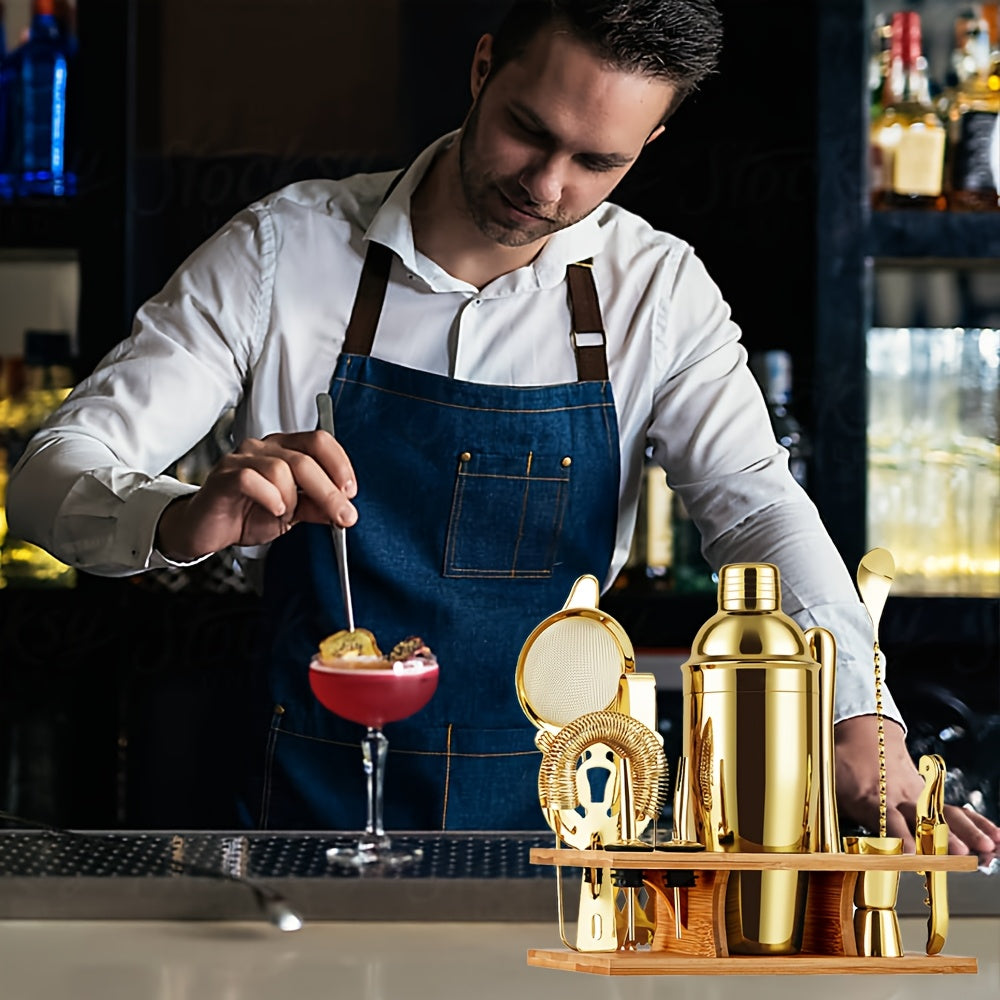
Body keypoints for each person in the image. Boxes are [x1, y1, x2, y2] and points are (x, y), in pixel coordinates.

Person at [8, 0, 999, 855]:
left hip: (567, 818)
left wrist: (858, 716)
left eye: (597, 161)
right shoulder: (284, 253)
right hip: (308, 809)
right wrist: (181, 515)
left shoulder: (655, 291)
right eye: (530, 131)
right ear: (483, 68)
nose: (548, 186)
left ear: (649, 144)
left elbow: (757, 509)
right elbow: (51, 474)